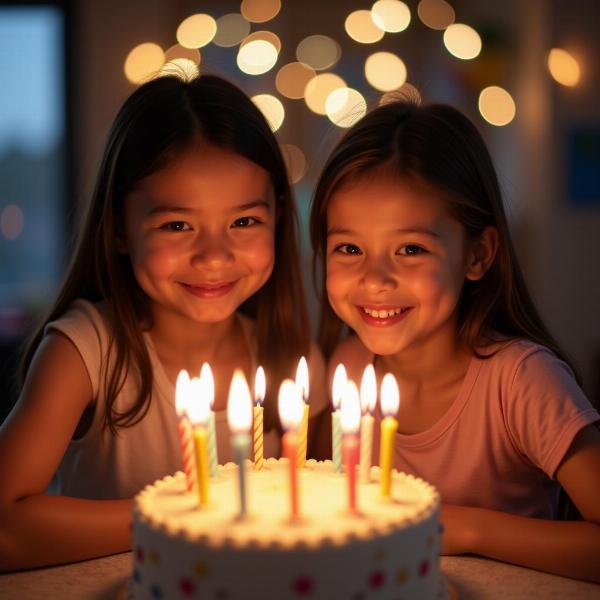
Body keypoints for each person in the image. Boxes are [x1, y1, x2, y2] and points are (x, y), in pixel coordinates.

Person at [0, 73, 328, 571]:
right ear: (118, 230)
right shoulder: (86, 351)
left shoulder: (292, 361)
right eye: (177, 225)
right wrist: (189, 514)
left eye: (244, 222)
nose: (214, 256)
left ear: (278, 219)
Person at [310, 99, 600, 582]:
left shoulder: (521, 380)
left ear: (477, 255)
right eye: (349, 248)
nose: (375, 278)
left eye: (410, 249)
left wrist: (465, 529)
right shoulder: (349, 368)